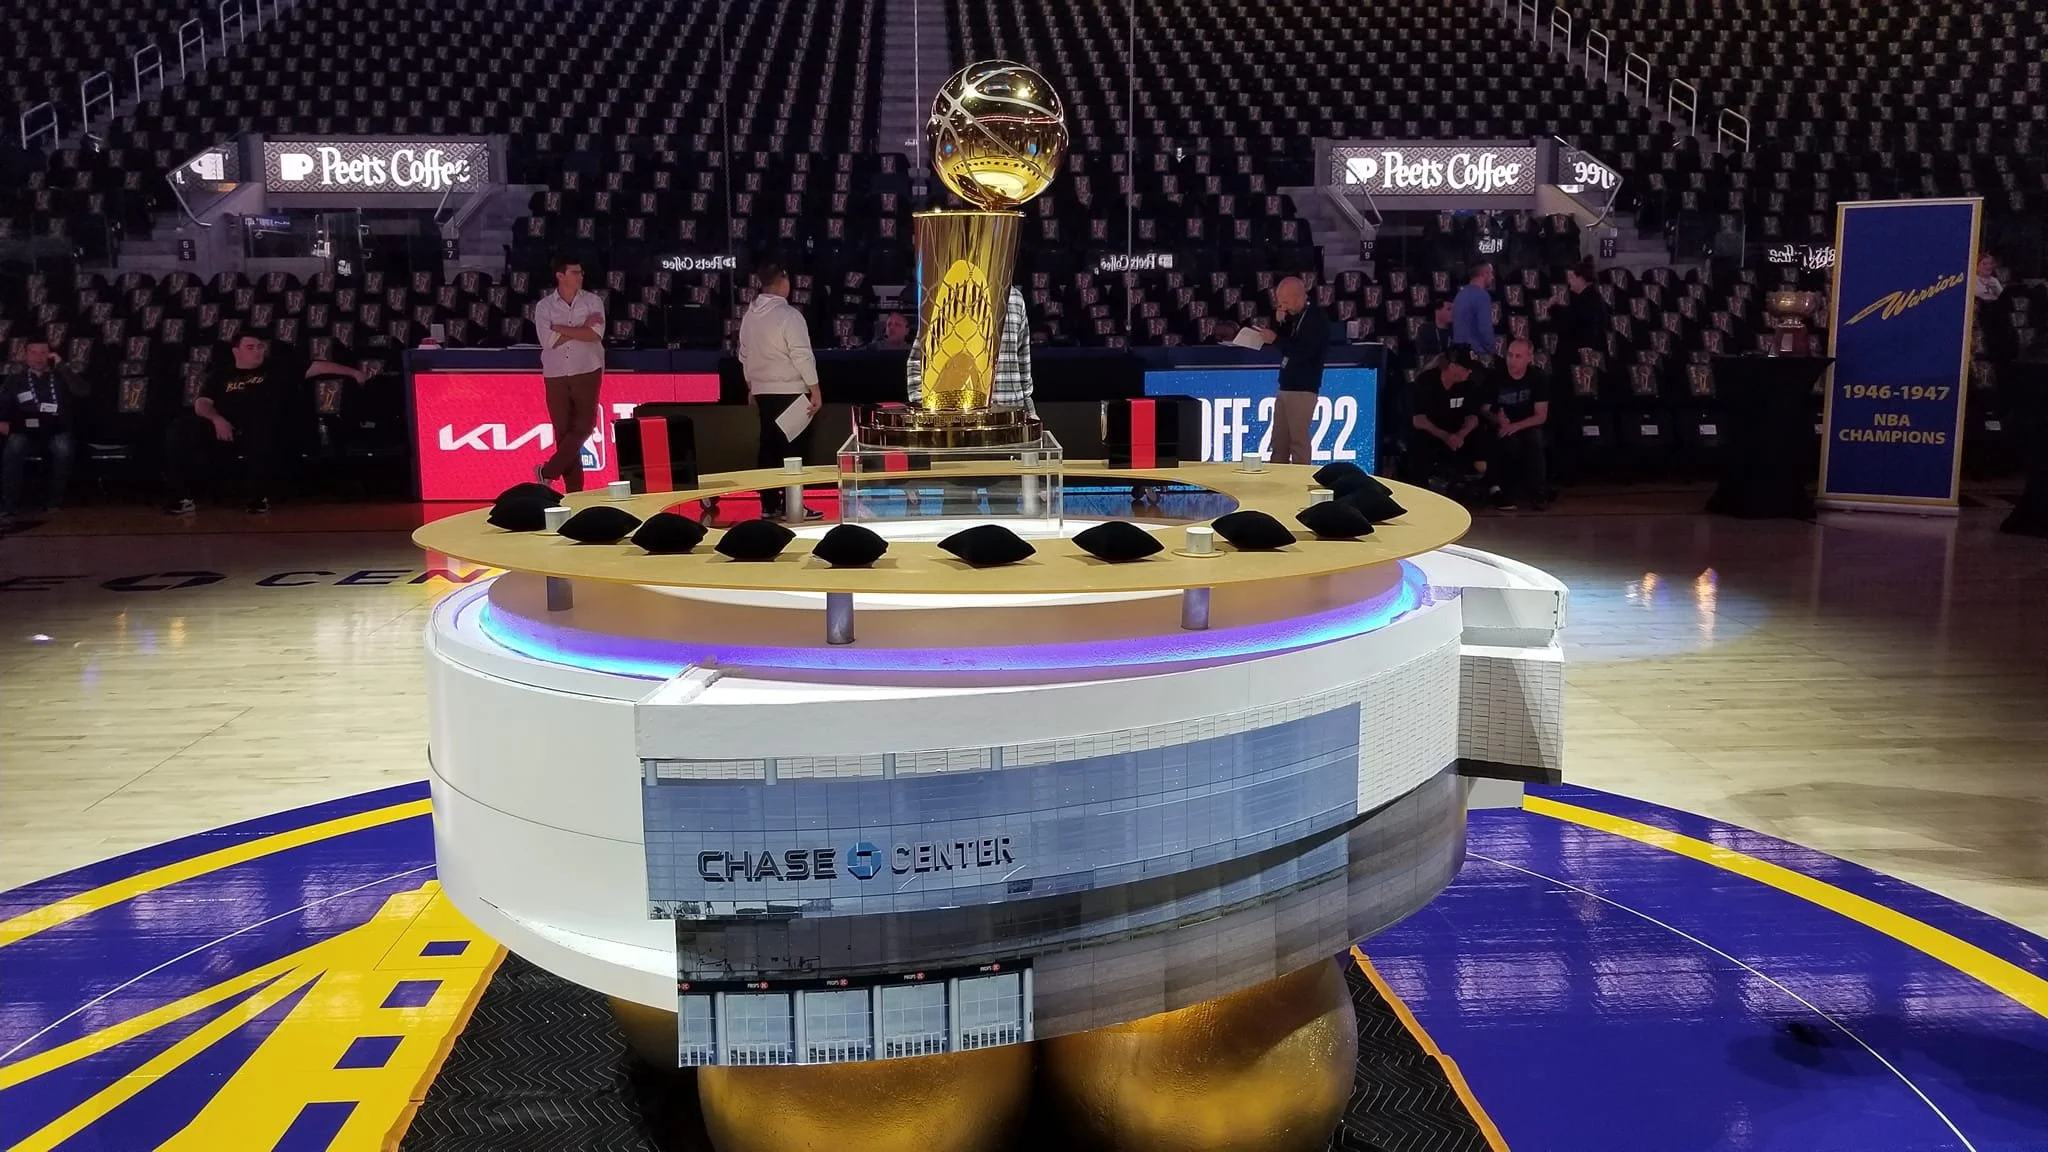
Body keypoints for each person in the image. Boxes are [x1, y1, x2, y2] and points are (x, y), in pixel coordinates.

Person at [164, 334, 364, 514]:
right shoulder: (219, 375)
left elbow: (318, 367)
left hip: (265, 426)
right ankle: (182, 498)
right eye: (250, 347)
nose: (258, 351)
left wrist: (354, 373)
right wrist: (217, 420)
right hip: (226, 426)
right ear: (236, 352)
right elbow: (202, 404)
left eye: (260, 347)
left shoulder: (277, 368)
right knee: (181, 428)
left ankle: (258, 497)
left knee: (260, 427)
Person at [738, 261, 823, 519]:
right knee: (793, 449)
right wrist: (815, 389)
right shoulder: (789, 316)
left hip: (763, 390)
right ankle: (792, 506)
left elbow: (744, 355)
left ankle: (769, 504)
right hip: (790, 391)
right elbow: (801, 355)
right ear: (782, 281)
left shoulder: (750, 316)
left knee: (768, 446)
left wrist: (751, 386)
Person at [530, 255, 608, 492]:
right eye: (575, 272)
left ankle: (547, 472)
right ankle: (574, 492)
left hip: (587, 370)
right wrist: (581, 327)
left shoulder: (593, 301)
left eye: (581, 272)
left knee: (584, 428)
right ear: (560, 275)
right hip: (555, 374)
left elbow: (594, 335)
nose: (580, 276)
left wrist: (560, 329)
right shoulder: (544, 307)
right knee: (563, 433)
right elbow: (548, 341)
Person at [906, 285, 1034, 415]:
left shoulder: (1016, 298)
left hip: (1011, 414)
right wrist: (925, 408)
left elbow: (1023, 359)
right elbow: (917, 360)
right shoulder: (953, 294)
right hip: (964, 416)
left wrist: (1030, 412)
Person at [1250, 275, 1327, 465]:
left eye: (1285, 302)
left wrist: (1275, 339)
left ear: (1299, 297)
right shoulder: (1294, 317)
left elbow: (1303, 351)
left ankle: (1300, 479)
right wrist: (1281, 323)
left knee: (1298, 441)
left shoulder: (1316, 319)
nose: (1282, 306)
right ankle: (1278, 479)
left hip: (1303, 388)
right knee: (1279, 442)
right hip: (1286, 385)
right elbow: (1287, 344)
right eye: (1279, 302)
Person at [0, 341, 82, 521]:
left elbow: (82, 391)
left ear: (50, 355)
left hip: (55, 430)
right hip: (24, 431)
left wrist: (61, 365)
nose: (38, 357)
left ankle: (53, 503)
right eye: (33, 352)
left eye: (43, 352)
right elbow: (3, 405)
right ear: (25, 355)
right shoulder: (15, 380)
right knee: (14, 445)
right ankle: (8, 505)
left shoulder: (60, 377)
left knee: (64, 448)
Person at [1407, 346, 1489, 493]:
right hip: (1432, 432)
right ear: (1452, 366)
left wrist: (1460, 435)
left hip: (1457, 432)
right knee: (1418, 442)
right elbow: (1418, 420)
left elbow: (1473, 417)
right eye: (1466, 368)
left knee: (1481, 438)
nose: (1469, 371)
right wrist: (1445, 436)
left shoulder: (1469, 384)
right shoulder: (1426, 381)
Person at [1486, 338, 1551, 510]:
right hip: (1501, 425)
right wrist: (1497, 418)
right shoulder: (1495, 377)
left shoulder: (1538, 377)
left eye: (1518, 356)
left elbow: (1541, 416)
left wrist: (1515, 426)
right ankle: (1504, 491)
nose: (1512, 360)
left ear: (1529, 358)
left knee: (1534, 439)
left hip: (1526, 424)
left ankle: (1538, 492)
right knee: (1508, 442)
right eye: (1510, 355)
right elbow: (1484, 409)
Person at [1452, 262, 1497, 357]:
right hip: (1477, 354)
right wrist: (1492, 350)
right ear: (1484, 274)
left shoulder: (1460, 294)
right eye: (1491, 273)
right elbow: (1485, 328)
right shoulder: (1482, 296)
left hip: (1459, 353)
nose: (1493, 277)